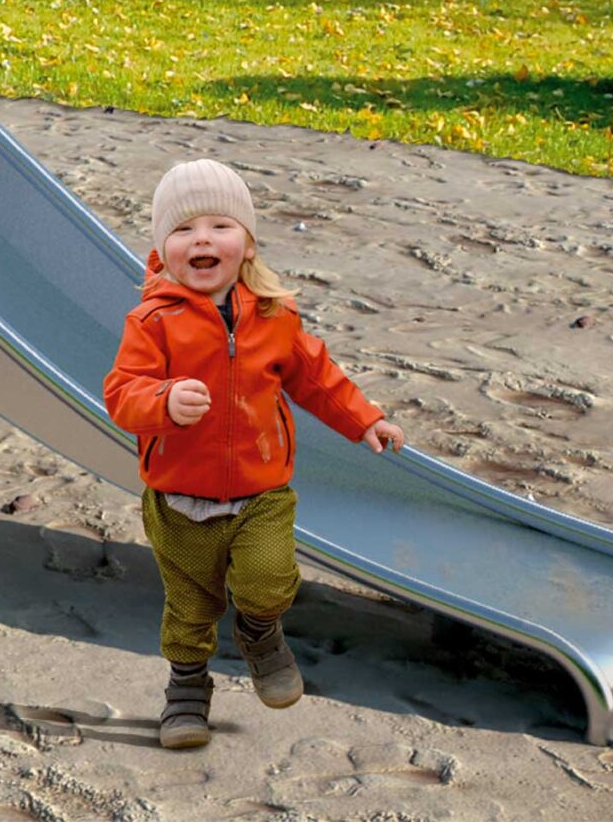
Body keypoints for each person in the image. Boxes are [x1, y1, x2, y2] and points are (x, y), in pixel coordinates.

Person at [103, 159, 406, 750]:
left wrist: (364, 419)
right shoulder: (152, 321)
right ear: (162, 249)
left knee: (267, 581)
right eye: (184, 230)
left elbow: (316, 378)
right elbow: (122, 393)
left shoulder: (275, 315)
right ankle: (187, 690)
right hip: (178, 498)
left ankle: (260, 632)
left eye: (219, 226)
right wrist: (164, 400)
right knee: (190, 608)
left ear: (246, 243)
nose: (202, 240)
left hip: (261, 491)